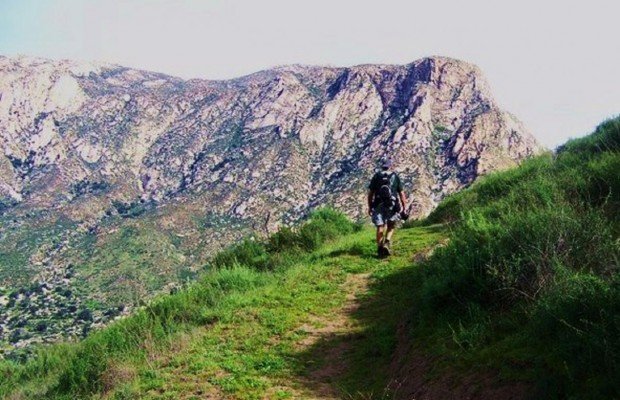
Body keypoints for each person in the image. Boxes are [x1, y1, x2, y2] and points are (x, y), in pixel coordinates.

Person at [367, 159, 408, 257]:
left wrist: (370, 206)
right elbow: (401, 194)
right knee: (391, 225)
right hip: (392, 205)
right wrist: (404, 207)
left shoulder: (376, 176)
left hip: (378, 205)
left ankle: (380, 248)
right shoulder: (395, 176)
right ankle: (387, 242)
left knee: (380, 227)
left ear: (382, 166)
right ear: (390, 166)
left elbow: (370, 194)